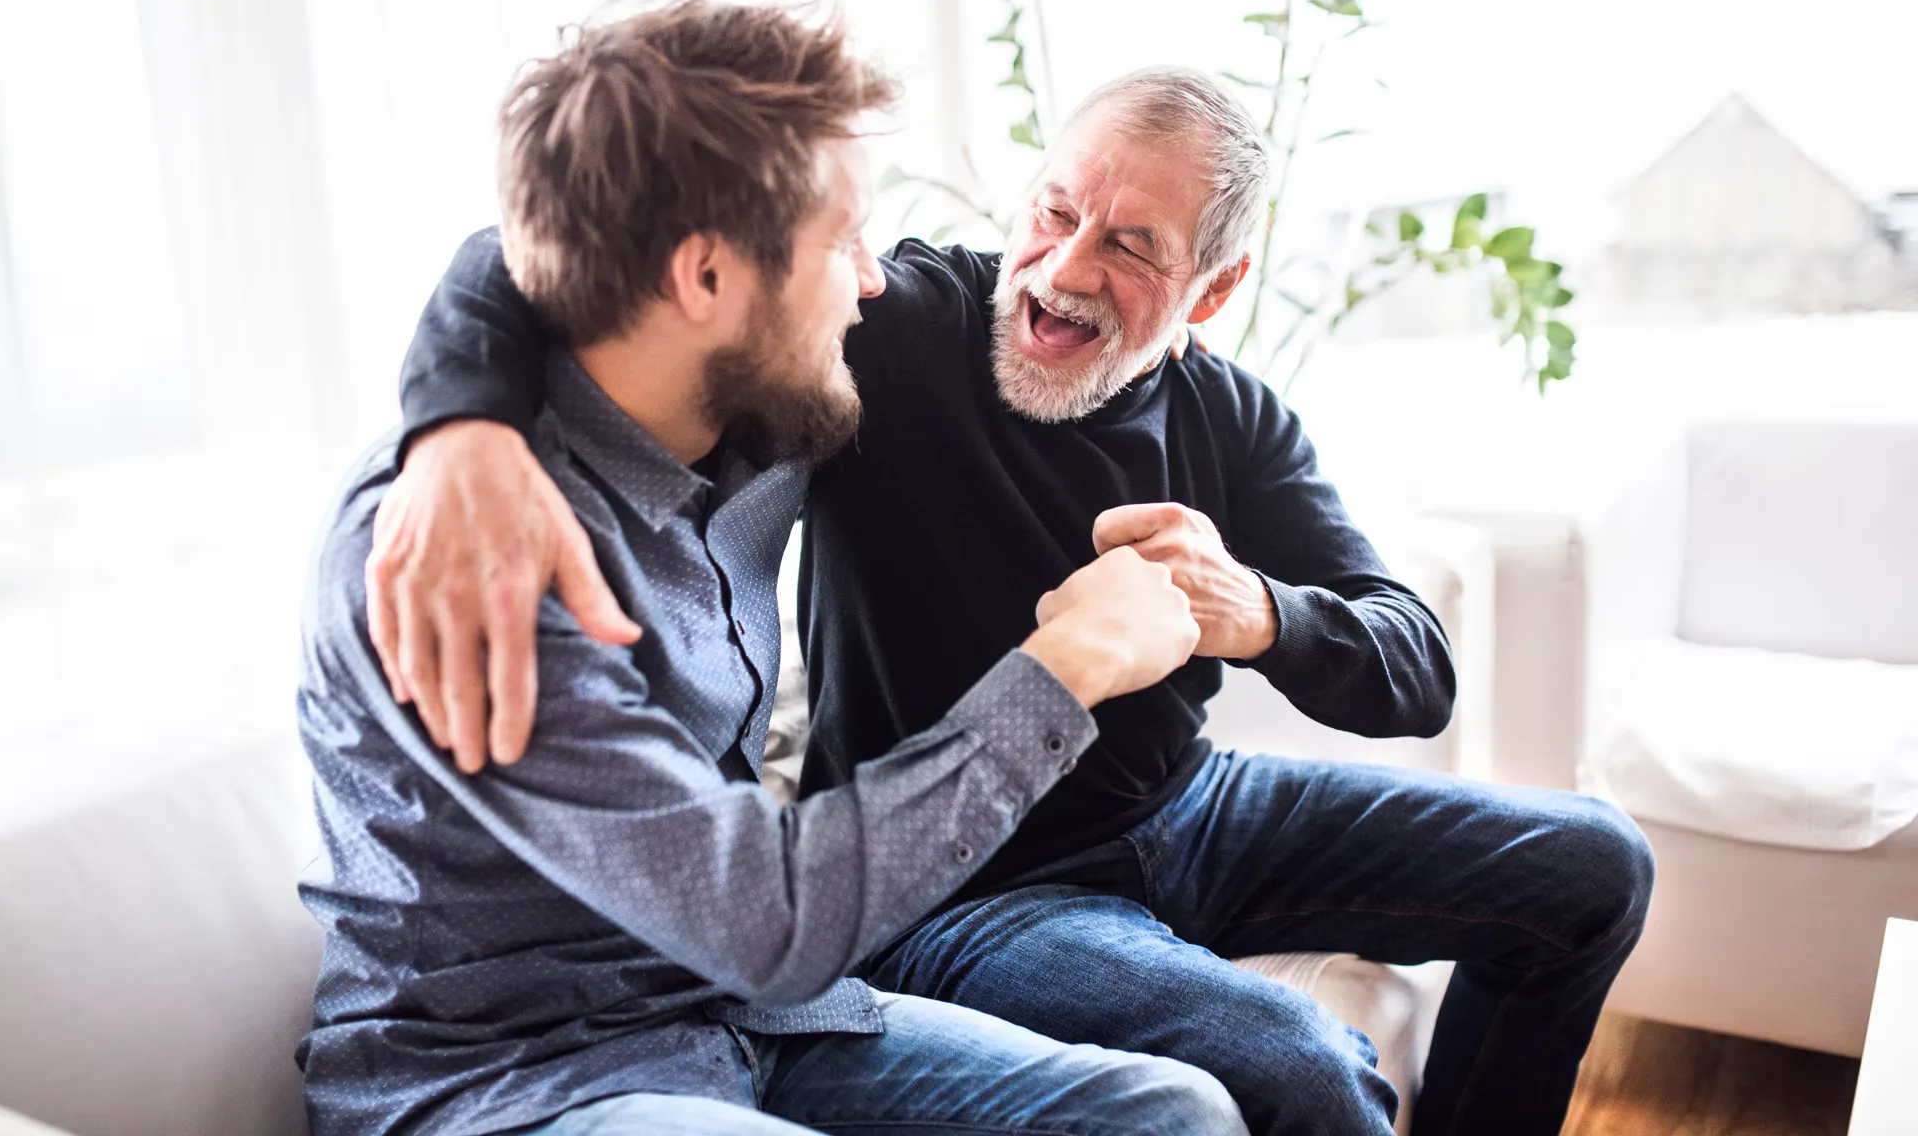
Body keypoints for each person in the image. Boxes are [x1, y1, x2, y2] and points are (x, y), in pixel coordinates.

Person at [378, 58, 1656, 1134]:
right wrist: (459, 430)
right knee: (1297, 1065)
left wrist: (1252, 607)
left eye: (1131, 246)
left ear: (1213, 292)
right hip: (967, 885)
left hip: (1186, 809)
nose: (1065, 266)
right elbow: (540, 247)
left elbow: (1416, 666)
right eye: (1057, 211)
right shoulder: (900, 326)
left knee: (1595, 865)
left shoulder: (1234, 419)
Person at [294, 0, 1250, 1136]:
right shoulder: (473, 551)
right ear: (703, 280)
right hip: (517, 1080)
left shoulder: (753, 420)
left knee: (1168, 1114)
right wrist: (1071, 661)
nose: (873, 278)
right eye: (842, 237)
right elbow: (769, 913)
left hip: (735, 1019)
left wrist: (461, 410)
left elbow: (510, 249)